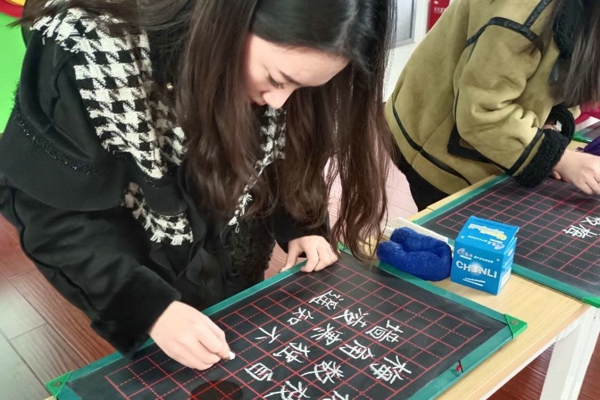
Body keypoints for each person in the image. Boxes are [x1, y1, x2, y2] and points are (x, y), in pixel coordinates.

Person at [0, 0, 395, 370]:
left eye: (302, 89)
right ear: (231, 18)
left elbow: (288, 151)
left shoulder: (277, 69)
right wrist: (151, 309)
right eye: (276, 79)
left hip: (234, 244)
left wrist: (302, 223)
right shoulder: (87, 47)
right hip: (136, 256)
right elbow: (52, 216)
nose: (279, 103)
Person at [386, 0, 600, 211]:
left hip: (482, 133)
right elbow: (479, 112)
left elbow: (557, 83)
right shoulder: (523, 12)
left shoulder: (582, 18)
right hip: (435, 138)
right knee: (448, 223)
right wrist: (558, 158)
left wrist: (550, 124)